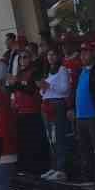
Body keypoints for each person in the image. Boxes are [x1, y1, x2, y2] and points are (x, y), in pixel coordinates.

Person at [69, 40, 95, 187]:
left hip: (94, 115)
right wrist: (71, 107)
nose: (83, 55)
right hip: (81, 116)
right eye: (82, 52)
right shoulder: (81, 71)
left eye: (86, 52)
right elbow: (75, 91)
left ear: (93, 53)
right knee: (84, 149)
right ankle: (88, 177)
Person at [38, 47, 74, 182]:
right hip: (46, 105)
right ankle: (54, 166)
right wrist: (43, 88)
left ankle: (62, 168)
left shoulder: (62, 70)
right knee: (50, 138)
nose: (51, 57)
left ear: (58, 56)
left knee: (58, 136)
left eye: (53, 54)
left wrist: (49, 86)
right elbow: (44, 92)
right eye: (49, 54)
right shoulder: (47, 71)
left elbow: (65, 89)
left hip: (57, 105)